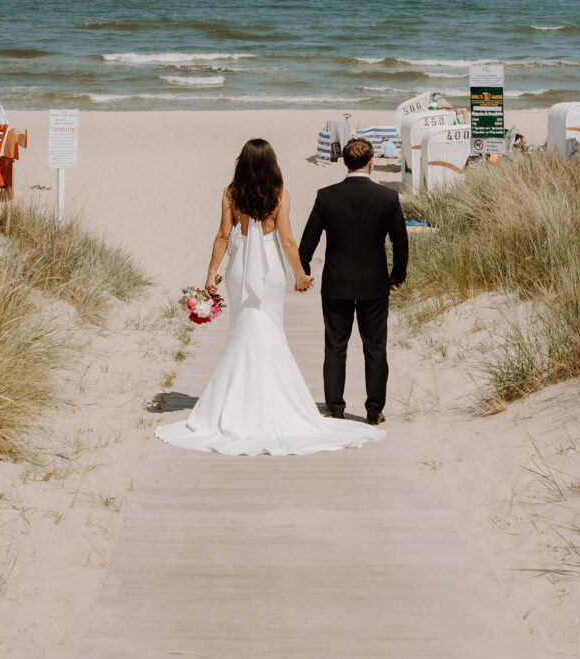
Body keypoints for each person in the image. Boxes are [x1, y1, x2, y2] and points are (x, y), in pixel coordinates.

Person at [155, 138, 386, 457]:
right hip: (269, 270)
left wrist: (211, 273)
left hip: (239, 270)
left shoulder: (231, 193)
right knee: (270, 331)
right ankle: (272, 401)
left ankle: (237, 402)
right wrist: (300, 275)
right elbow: (288, 241)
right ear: (272, 164)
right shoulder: (280, 194)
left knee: (242, 331)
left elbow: (223, 235)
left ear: (243, 162)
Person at [298, 137, 409, 425]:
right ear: (371, 162)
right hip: (375, 284)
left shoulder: (326, 196)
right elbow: (400, 242)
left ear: (344, 162)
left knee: (335, 346)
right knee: (375, 348)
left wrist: (304, 271)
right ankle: (374, 411)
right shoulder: (387, 198)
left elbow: (308, 240)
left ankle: (335, 408)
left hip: (337, 282)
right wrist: (397, 275)